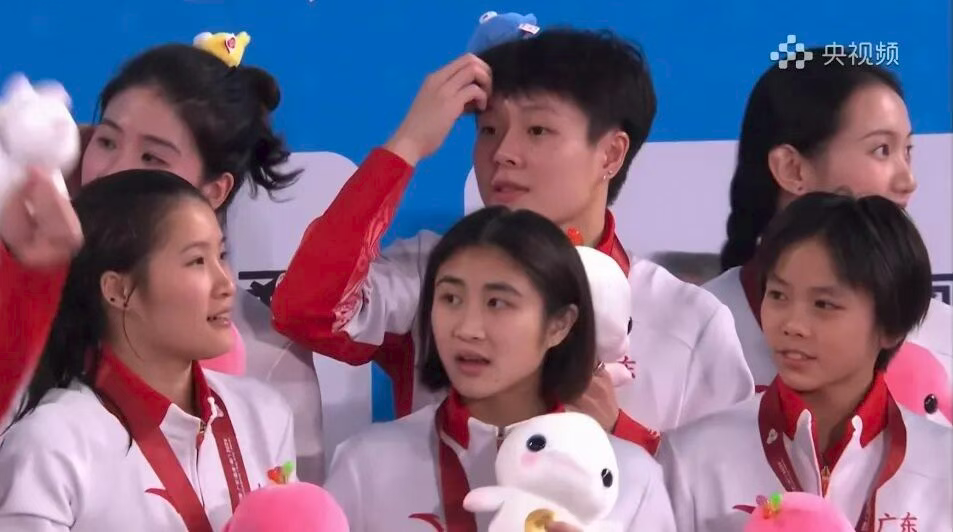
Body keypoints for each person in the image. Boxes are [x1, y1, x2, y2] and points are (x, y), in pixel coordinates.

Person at [272, 28, 753, 451]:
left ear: (611, 153)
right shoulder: (430, 275)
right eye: (488, 130)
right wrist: (408, 143)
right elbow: (307, 311)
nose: (503, 153)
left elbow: (717, 486)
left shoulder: (688, 321)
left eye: (537, 130)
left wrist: (620, 436)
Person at [0, 42, 327, 482]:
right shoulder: (22, 281)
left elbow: (291, 507)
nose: (113, 171)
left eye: (152, 156)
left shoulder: (265, 359)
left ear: (213, 191)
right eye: (107, 141)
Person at [324, 206, 676, 531]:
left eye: (497, 303)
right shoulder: (367, 464)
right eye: (450, 298)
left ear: (559, 324)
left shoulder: (629, 477)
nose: (467, 329)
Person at [0, 170, 298, 531]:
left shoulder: (264, 415)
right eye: (197, 261)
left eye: (221, 255)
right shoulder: (52, 443)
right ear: (119, 291)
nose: (226, 283)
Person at [657, 193, 952, 532]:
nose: (792, 324)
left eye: (823, 304)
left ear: (891, 326)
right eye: (778, 295)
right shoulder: (691, 458)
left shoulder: (944, 466)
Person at [703, 50, 952, 400]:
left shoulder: (941, 338)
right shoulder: (695, 332)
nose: (907, 181)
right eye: (882, 150)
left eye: (907, 151)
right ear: (792, 169)